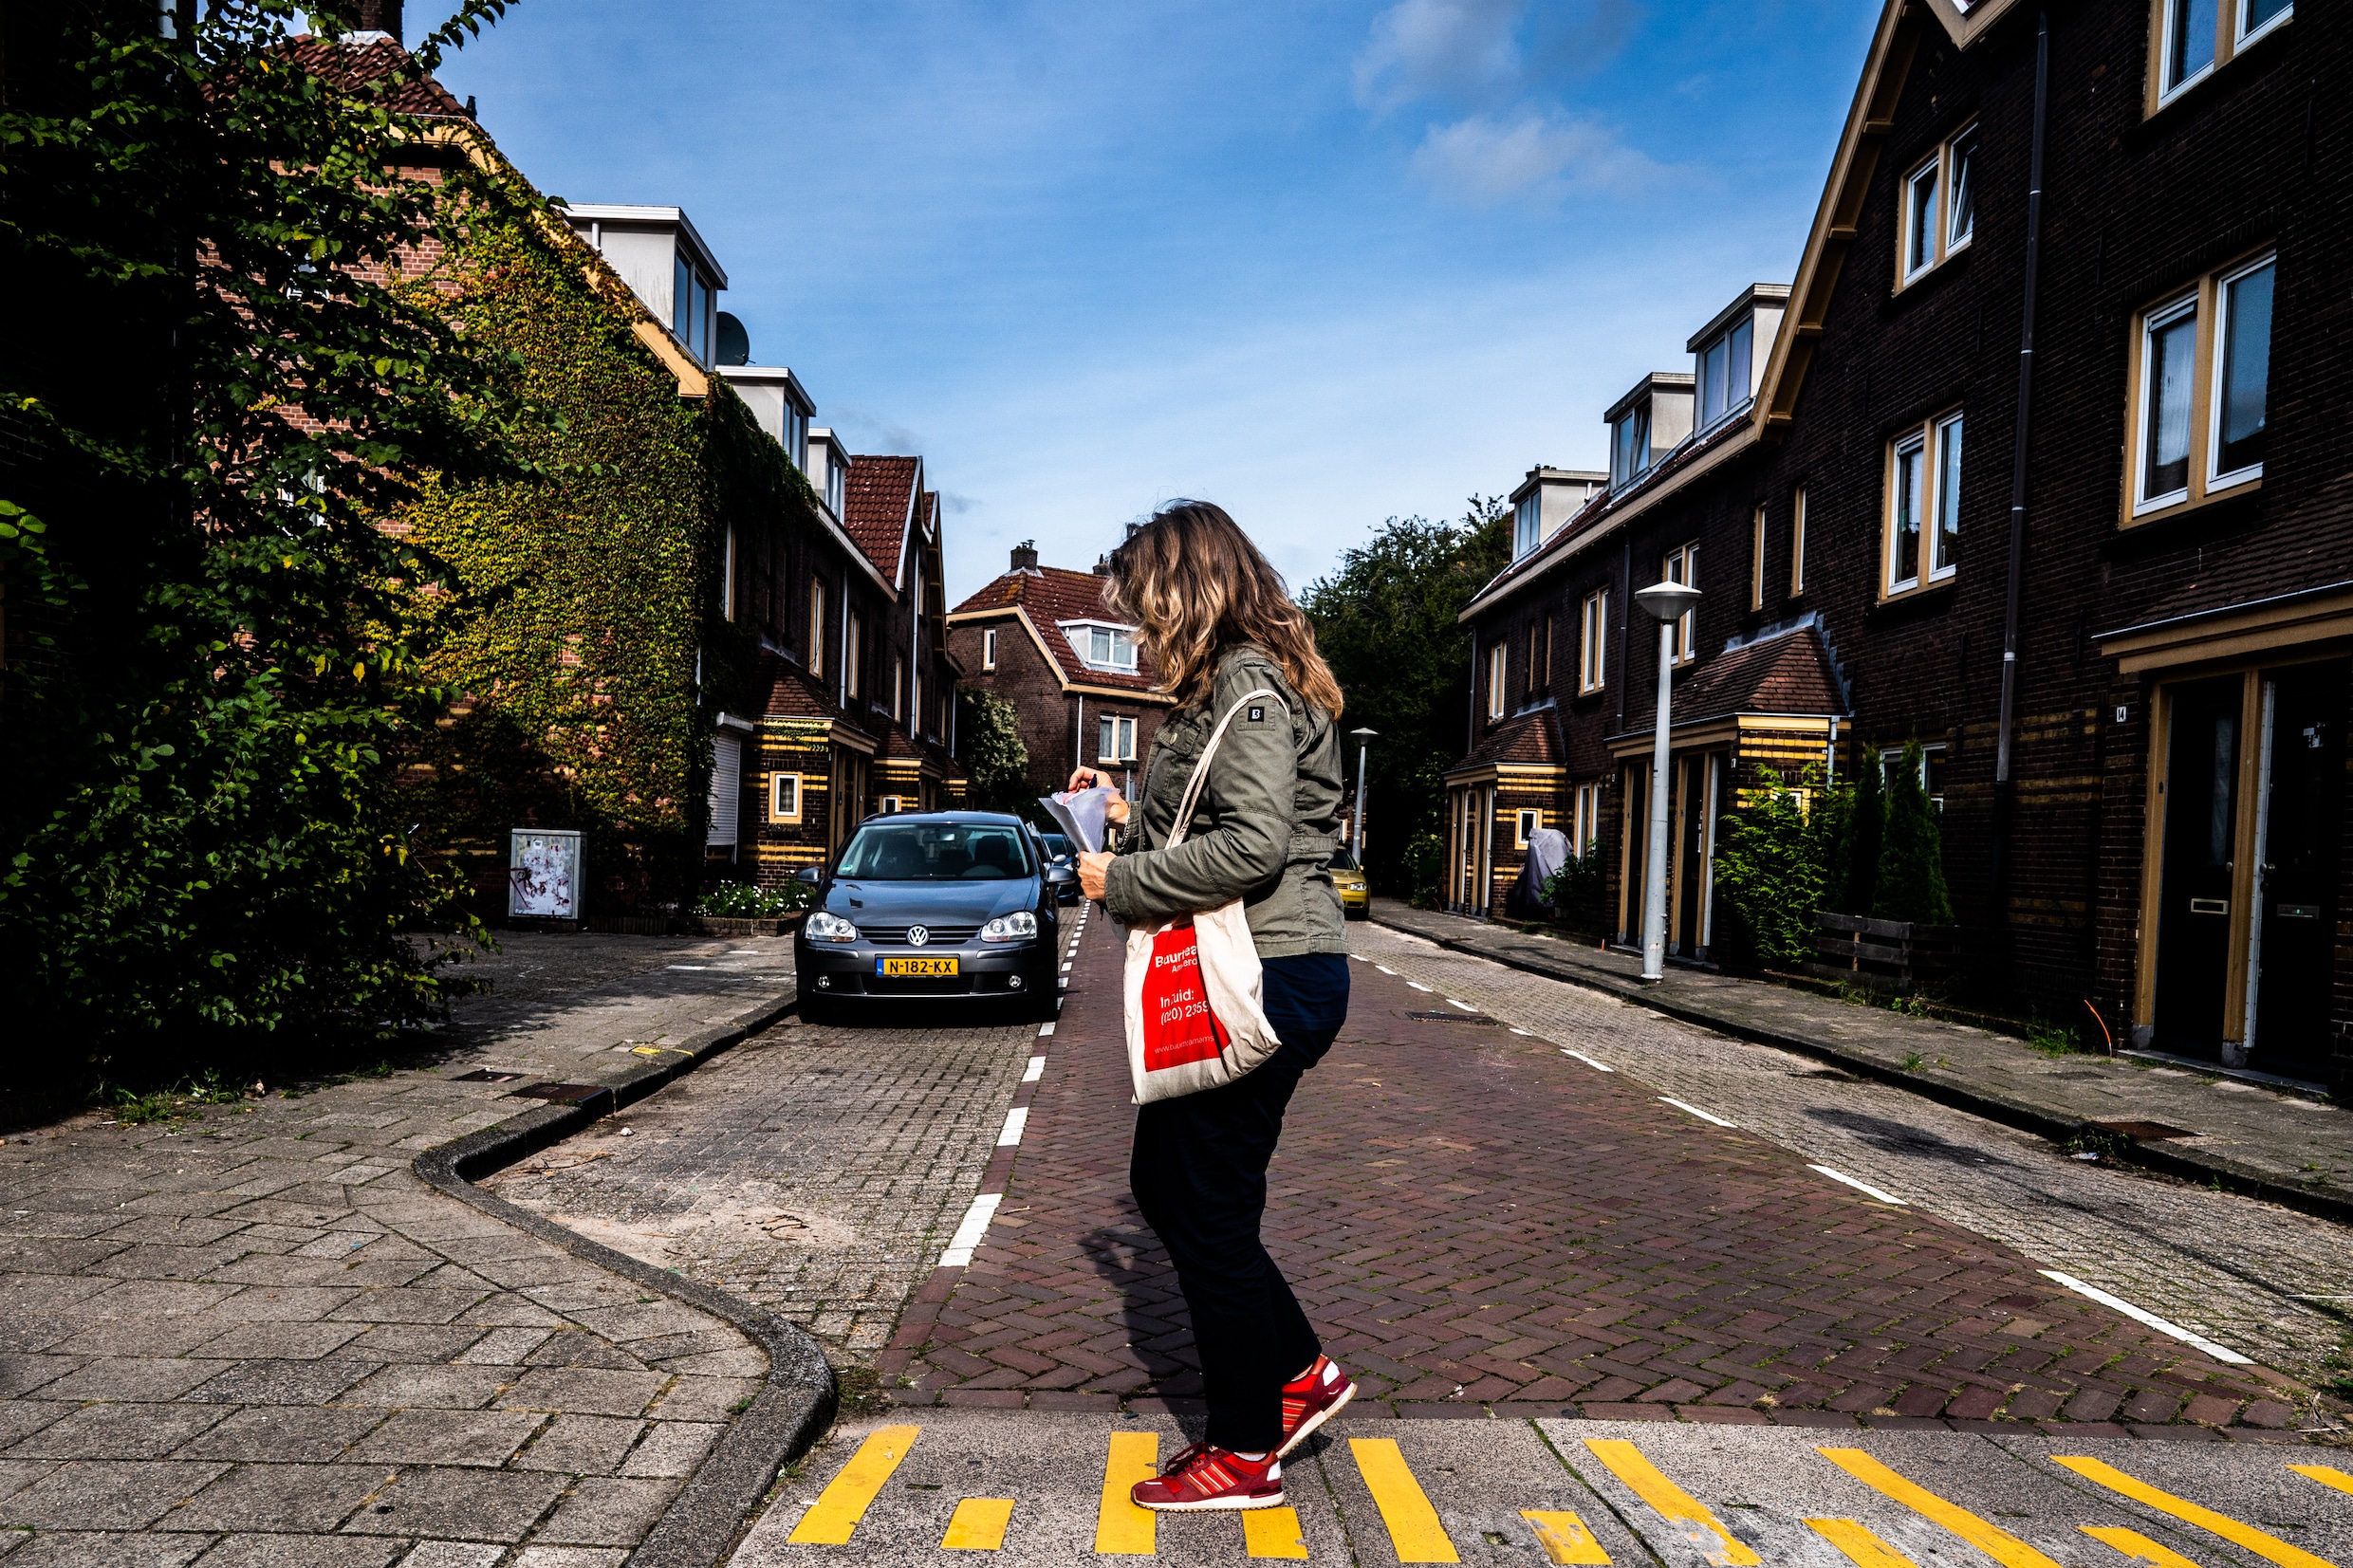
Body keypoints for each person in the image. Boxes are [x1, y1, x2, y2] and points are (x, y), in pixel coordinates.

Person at [1069, 500, 1356, 1514]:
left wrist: (1123, 883)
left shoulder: (1245, 686)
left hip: (1271, 968)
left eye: (1143, 611)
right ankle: (1298, 1376)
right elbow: (1214, 812)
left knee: (1208, 1208)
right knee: (1171, 1186)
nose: (1140, 635)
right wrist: (1119, 811)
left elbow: (1253, 847)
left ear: (1183, 594)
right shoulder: (1232, 689)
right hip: (1276, 965)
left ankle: (1244, 1450)